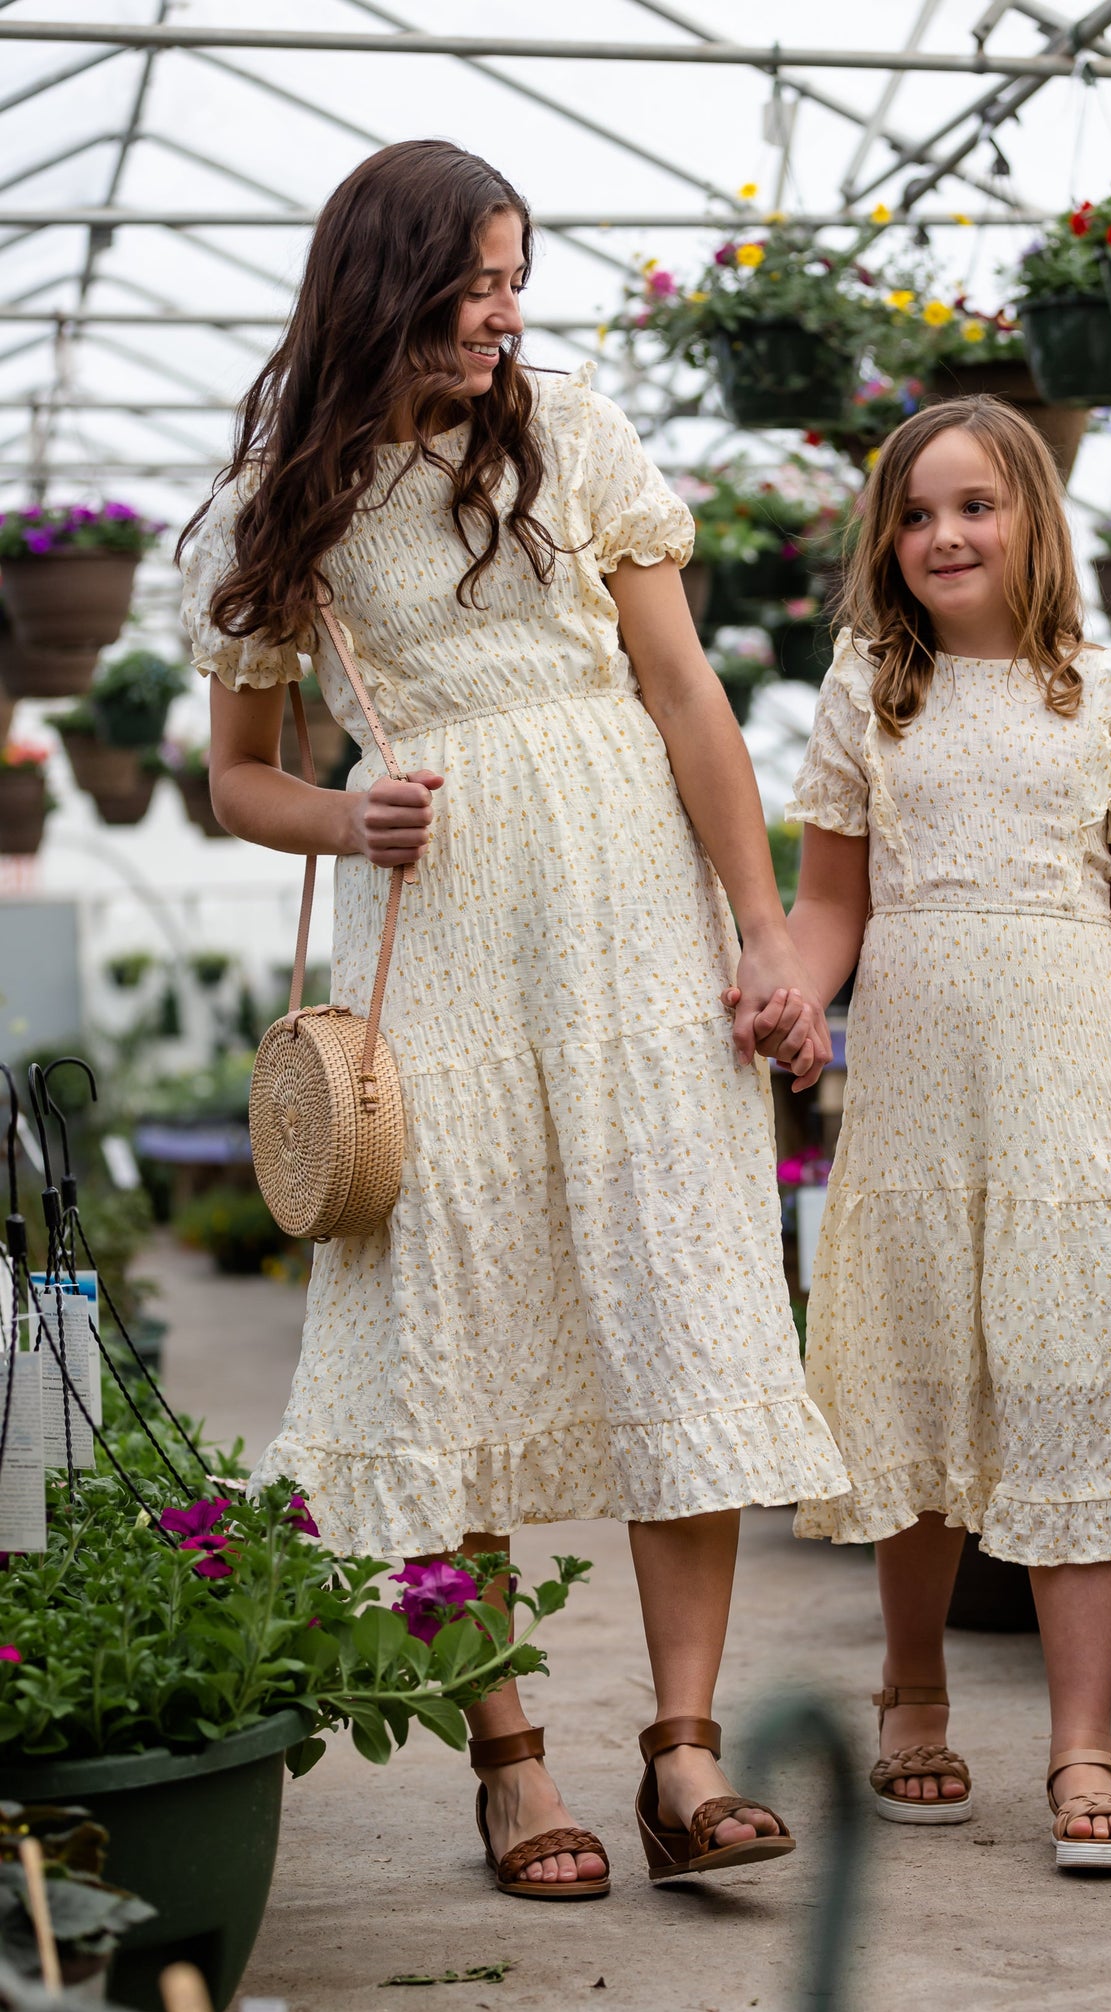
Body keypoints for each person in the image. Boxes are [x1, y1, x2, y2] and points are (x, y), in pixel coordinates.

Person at [178, 139, 849, 1901]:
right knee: (450, 1313)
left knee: (676, 1290)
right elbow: (238, 781)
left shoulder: (570, 429)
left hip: (634, 905)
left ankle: (683, 1751)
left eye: (512, 277)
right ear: (385, 281)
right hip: (445, 927)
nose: (502, 311)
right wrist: (343, 814)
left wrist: (764, 926)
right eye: (474, 281)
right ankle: (511, 1756)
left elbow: (683, 688)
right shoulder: (289, 494)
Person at [765, 396, 1111, 1870]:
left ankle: (1082, 1744)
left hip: (1070, 1097)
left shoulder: (1109, 691)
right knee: (921, 1397)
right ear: (884, 543)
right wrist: (794, 1001)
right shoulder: (864, 694)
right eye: (913, 512)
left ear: (1033, 516)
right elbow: (831, 904)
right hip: (911, 1104)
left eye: (973, 505)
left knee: (1071, 1383)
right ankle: (913, 1690)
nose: (942, 534)